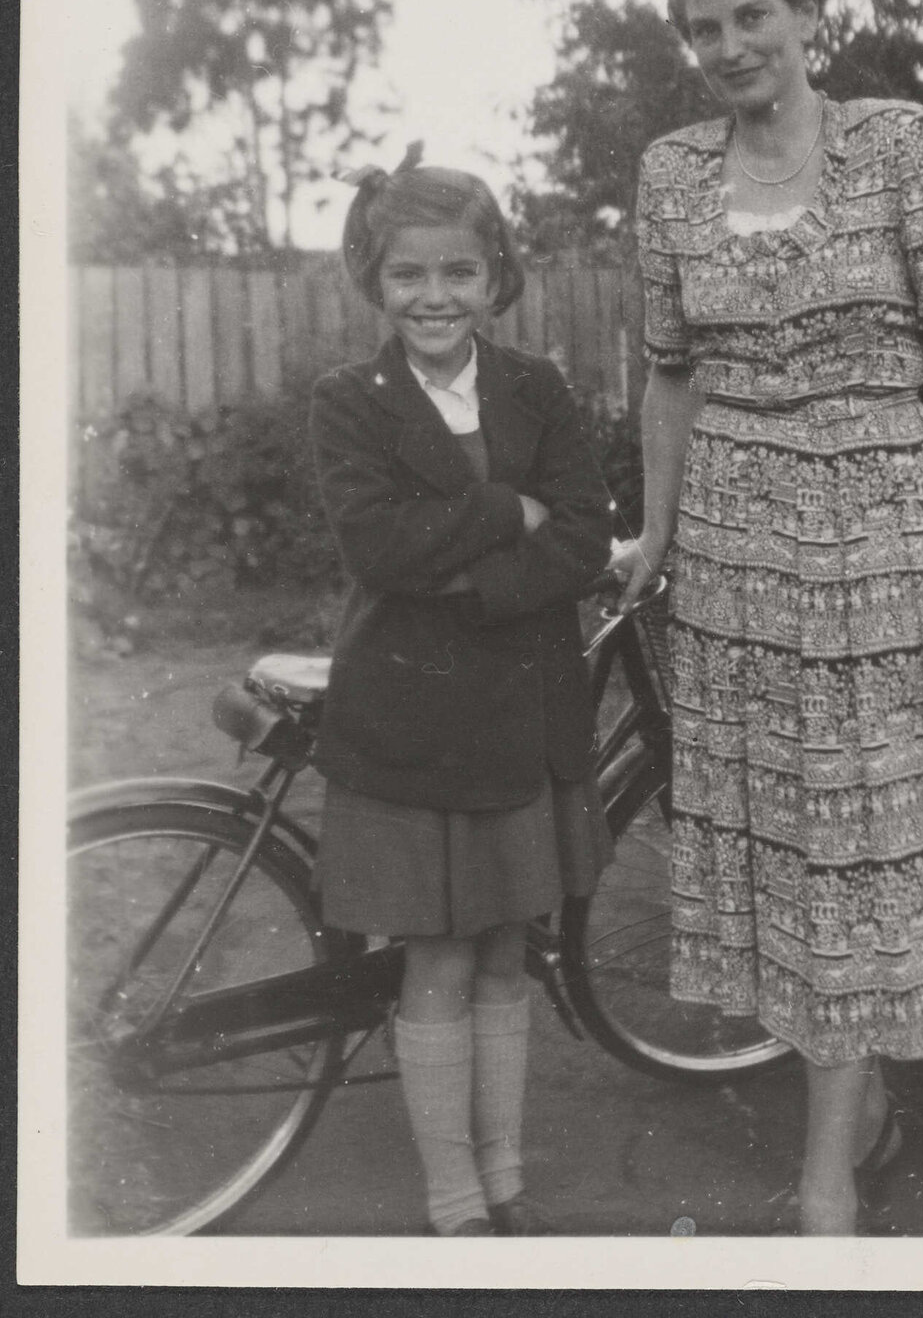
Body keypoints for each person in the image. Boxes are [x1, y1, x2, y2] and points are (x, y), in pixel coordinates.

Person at [614, 0, 923, 1236]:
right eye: (705, 27)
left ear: (806, 18)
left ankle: (828, 1177)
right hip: (733, 556)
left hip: (875, 554)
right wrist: (659, 539)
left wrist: (912, 505)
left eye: (752, 16)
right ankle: (862, 1110)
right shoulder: (673, 173)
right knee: (783, 845)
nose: (730, 45)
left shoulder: (896, 145)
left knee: (854, 850)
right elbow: (670, 374)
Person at [310, 148, 613, 1237]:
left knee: (503, 948)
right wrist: (504, 513)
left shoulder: (537, 389)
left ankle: (504, 1173)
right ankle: (453, 1196)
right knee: (436, 954)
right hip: (417, 724)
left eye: (457, 273)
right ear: (374, 281)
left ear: (495, 277)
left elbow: (582, 537)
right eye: (407, 275)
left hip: (523, 717)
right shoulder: (350, 403)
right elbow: (382, 550)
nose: (433, 297)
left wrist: (478, 573)